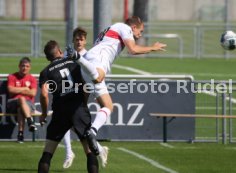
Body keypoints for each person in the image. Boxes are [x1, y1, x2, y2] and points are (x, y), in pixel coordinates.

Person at [67, 16, 167, 151]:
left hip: (88, 66)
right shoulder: (124, 27)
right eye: (140, 31)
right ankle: (77, 58)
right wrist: (153, 48)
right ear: (133, 27)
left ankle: (92, 131)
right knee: (98, 77)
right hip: (97, 61)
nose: (140, 34)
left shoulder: (111, 30)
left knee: (108, 106)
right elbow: (133, 50)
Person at [38, 40, 99, 173]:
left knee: (48, 152)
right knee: (89, 151)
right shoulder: (74, 64)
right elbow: (86, 87)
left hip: (60, 111)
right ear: (60, 51)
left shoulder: (46, 72)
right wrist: (83, 103)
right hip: (78, 109)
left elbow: (43, 94)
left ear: (48, 58)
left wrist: (43, 113)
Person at [63, 27, 109, 169]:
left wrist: (84, 97)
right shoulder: (66, 54)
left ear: (85, 41)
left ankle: (98, 149)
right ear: (73, 40)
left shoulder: (87, 55)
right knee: (65, 123)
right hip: (67, 92)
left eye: (81, 39)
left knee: (80, 130)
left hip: (80, 95)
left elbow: (90, 80)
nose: (79, 42)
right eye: (77, 39)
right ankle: (70, 152)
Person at [7, 57, 37, 143]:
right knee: (21, 99)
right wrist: (25, 89)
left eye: (27, 66)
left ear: (30, 68)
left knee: (21, 109)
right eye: (23, 66)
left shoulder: (32, 79)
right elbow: (10, 90)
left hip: (28, 104)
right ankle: (30, 121)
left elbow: (33, 93)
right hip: (12, 103)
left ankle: (20, 135)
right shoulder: (12, 77)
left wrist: (18, 89)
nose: (25, 68)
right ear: (19, 66)